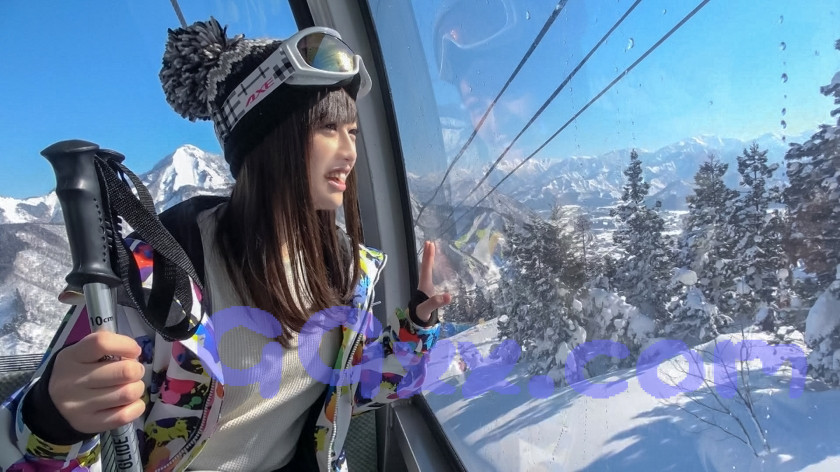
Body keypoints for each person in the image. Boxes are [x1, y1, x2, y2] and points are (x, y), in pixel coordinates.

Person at [0, 18, 450, 472]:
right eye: (328, 127)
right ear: (268, 138)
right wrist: (52, 420)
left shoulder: (341, 265)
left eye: (352, 132)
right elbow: (37, 445)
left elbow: (352, 389)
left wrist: (417, 326)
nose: (350, 152)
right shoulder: (154, 274)